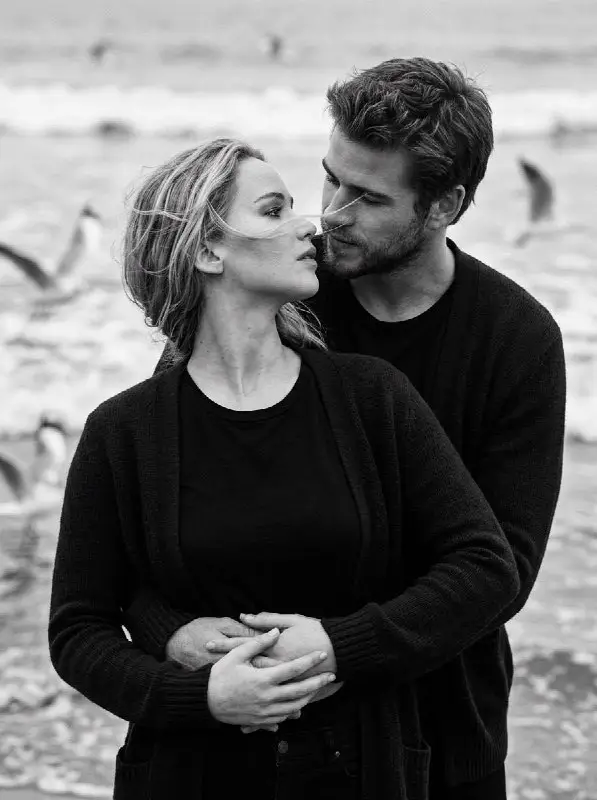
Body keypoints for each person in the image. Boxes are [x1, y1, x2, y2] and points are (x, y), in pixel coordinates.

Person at [124, 59, 567, 799]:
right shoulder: (275, 287)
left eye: (367, 196)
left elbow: (504, 572)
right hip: (249, 736)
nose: (330, 213)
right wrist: (170, 630)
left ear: (444, 205)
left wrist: (338, 645)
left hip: (439, 730)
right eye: (330, 178)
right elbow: (148, 514)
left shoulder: (514, 338)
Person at [48, 138, 520, 800]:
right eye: (274, 211)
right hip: (187, 775)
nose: (311, 223)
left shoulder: (370, 396)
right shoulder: (124, 431)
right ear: (208, 250)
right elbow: (78, 630)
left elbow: (484, 568)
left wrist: (340, 645)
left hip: (366, 769)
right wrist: (202, 696)